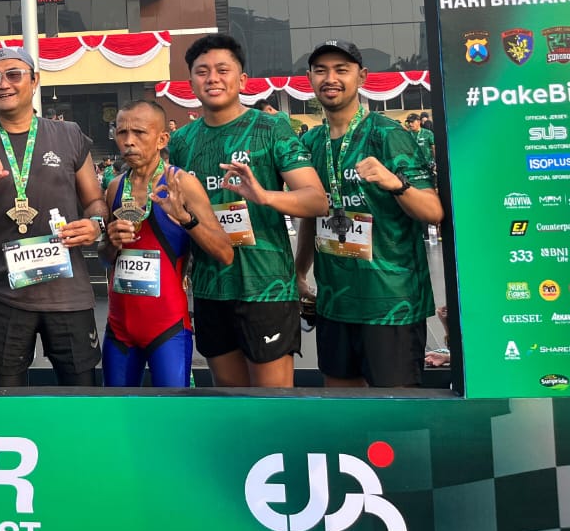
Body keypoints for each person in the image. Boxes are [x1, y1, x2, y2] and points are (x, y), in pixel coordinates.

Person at [0, 46, 108, 387]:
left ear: (34, 80)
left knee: (81, 398)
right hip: (1, 295)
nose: (4, 84)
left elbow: (95, 202)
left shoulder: (69, 134)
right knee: (6, 402)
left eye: (14, 75)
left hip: (66, 294)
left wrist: (96, 225)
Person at [166, 33, 328, 388]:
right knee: (229, 399)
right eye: (202, 71)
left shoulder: (271, 127)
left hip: (265, 287)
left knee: (273, 403)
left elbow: (317, 200)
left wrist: (265, 196)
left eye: (222, 70)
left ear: (241, 80)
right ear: (190, 82)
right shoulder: (181, 141)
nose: (212, 78)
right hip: (210, 289)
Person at [296, 40, 442, 387]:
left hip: (390, 302)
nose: (330, 78)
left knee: (396, 408)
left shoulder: (388, 135)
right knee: (342, 404)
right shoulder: (312, 142)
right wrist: (299, 272)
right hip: (334, 300)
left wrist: (396, 184)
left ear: (361, 77)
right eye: (321, 70)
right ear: (310, 78)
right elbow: (312, 215)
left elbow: (433, 211)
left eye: (341, 70)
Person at [100, 100, 232, 388]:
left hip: (167, 326)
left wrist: (186, 219)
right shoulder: (115, 187)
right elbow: (107, 257)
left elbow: (225, 253)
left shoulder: (182, 184)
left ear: (162, 139)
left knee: (173, 409)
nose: (128, 141)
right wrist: (110, 242)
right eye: (121, 133)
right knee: (115, 409)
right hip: (119, 327)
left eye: (139, 132)